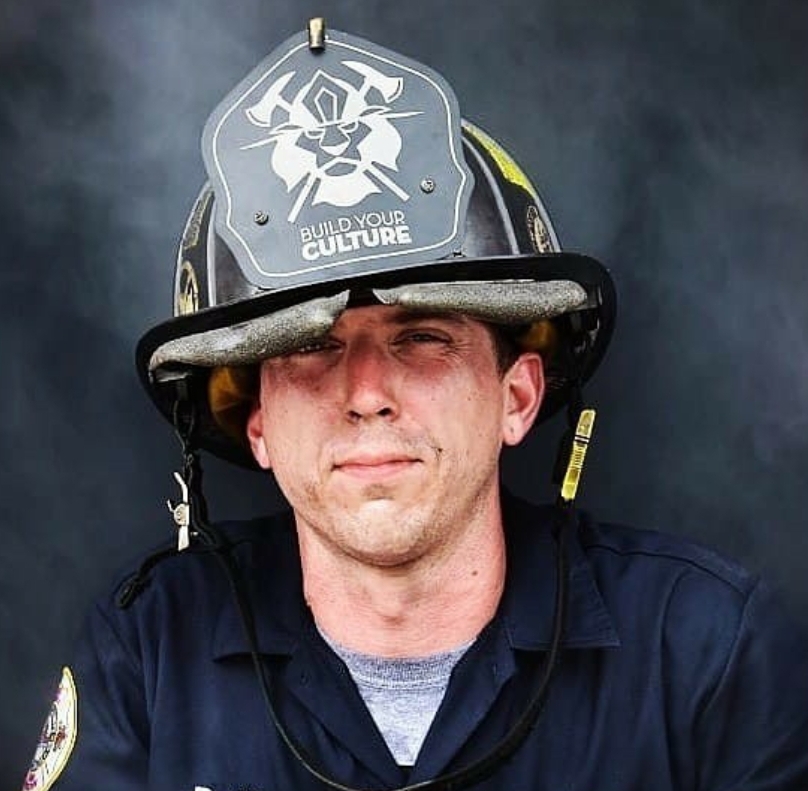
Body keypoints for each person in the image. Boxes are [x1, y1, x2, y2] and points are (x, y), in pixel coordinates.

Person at [23, 19, 808, 791]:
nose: (367, 394)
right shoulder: (149, 652)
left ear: (517, 396)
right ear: (256, 421)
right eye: (312, 348)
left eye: (423, 337)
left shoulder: (708, 652)